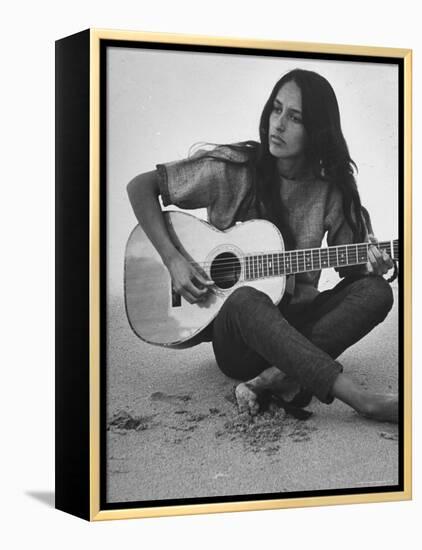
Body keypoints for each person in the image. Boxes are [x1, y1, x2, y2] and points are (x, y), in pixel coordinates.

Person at [127, 69, 398, 423]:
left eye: (295, 117)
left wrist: (372, 264)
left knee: (377, 292)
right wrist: (174, 260)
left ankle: (271, 378)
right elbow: (140, 187)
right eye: (276, 109)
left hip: (299, 329)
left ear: (317, 129)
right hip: (239, 341)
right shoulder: (236, 169)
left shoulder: (331, 190)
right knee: (245, 298)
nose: (279, 124)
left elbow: (352, 271)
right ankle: (361, 400)